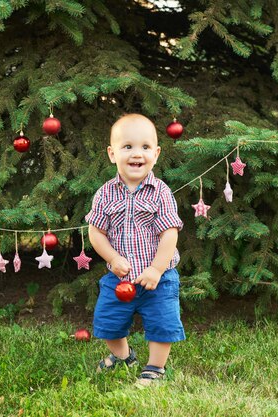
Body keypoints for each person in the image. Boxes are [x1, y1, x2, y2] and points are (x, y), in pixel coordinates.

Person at [85, 113, 185, 386]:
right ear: (112, 153)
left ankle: (155, 367)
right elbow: (96, 232)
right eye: (127, 147)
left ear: (156, 153)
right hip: (120, 278)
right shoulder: (105, 194)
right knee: (107, 321)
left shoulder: (161, 192)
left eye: (144, 147)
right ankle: (123, 356)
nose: (136, 154)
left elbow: (169, 234)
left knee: (162, 324)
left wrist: (156, 268)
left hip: (159, 278)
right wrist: (113, 257)